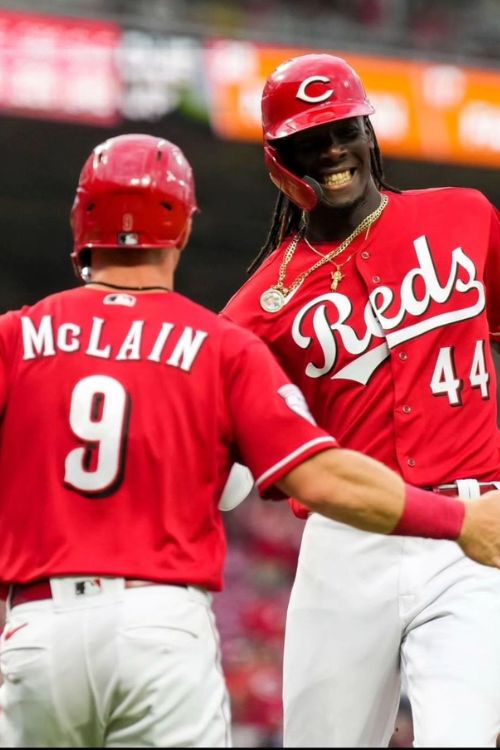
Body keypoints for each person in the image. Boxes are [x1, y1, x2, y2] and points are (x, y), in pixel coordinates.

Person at [3, 134, 499, 747]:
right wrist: (457, 521)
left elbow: (228, 488)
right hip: (165, 622)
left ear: (79, 222)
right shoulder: (218, 342)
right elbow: (316, 476)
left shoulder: (16, 336)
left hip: (39, 623)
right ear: (182, 227)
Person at [221, 53, 500, 748]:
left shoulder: (465, 217)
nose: (333, 153)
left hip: (474, 529)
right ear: (279, 162)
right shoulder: (256, 311)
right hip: (349, 544)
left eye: (342, 130)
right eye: (308, 144)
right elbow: (220, 467)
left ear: (369, 132)